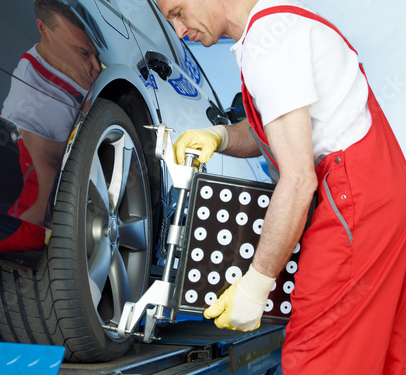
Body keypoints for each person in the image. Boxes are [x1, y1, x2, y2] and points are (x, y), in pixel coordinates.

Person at [156, 0, 406, 373]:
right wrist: (220, 136)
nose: (178, 31)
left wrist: (257, 283)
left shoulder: (269, 43)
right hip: (377, 194)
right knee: (377, 351)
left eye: (177, 12)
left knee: (319, 354)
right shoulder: (282, 26)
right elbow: (285, 131)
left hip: (352, 201)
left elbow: (299, 178)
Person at [1, 0, 101, 226]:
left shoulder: (75, 65)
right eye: (84, 54)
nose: (96, 66)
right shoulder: (30, 98)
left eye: (97, 55)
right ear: (44, 30)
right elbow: (43, 168)